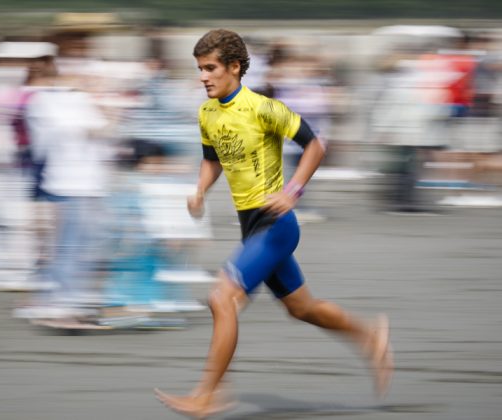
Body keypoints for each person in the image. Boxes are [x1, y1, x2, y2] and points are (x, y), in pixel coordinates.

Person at [155, 29, 394, 418]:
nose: (203, 77)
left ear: (234, 67)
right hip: (249, 226)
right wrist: (200, 190)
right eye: (200, 69)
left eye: (210, 68)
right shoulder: (207, 113)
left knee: (221, 299)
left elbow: (315, 145)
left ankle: (210, 394)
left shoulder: (264, 108)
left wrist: (293, 190)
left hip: (276, 224)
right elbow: (212, 158)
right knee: (302, 308)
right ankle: (370, 337)